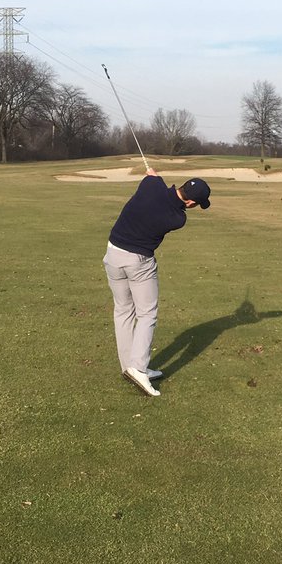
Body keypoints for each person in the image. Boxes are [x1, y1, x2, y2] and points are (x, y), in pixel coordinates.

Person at [103, 170, 211, 397]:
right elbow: (170, 205)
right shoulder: (178, 219)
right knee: (147, 314)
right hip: (138, 262)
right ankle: (138, 368)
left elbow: (153, 179)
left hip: (112, 255)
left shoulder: (150, 184)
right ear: (190, 202)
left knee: (123, 311)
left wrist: (153, 176)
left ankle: (129, 366)